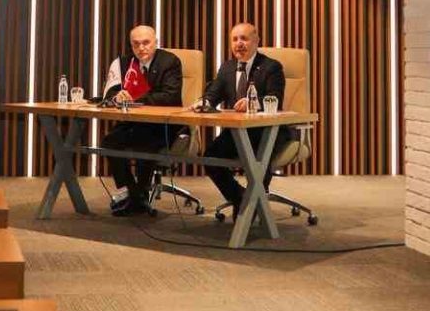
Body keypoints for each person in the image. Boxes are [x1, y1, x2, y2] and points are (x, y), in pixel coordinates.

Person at [201, 23, 289, 221]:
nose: (239, 44)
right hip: (238, 133)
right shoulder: (227, 67)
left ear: (256, 41)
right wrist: (202, 103)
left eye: (244, 39)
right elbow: (212, 95)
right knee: (210, 158)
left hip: (268, 131)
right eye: (235, 39)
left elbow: (275, 99)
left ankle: (251, 206)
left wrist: (254, 102)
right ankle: (240, 198)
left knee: (258, 160)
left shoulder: (271, 67)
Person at [98, 26, 183, 216]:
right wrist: (117, 96)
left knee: (144, 144)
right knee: (109, 143)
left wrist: (134, 98)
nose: (141, 48)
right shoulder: (124, 63)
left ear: (156, 42)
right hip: (133, 122)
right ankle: (134, 194)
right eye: (136, 44)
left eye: (146, 43)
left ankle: (138, 196)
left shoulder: (170, 61)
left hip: (163, 125)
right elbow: (110, 93)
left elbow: (170, 96)